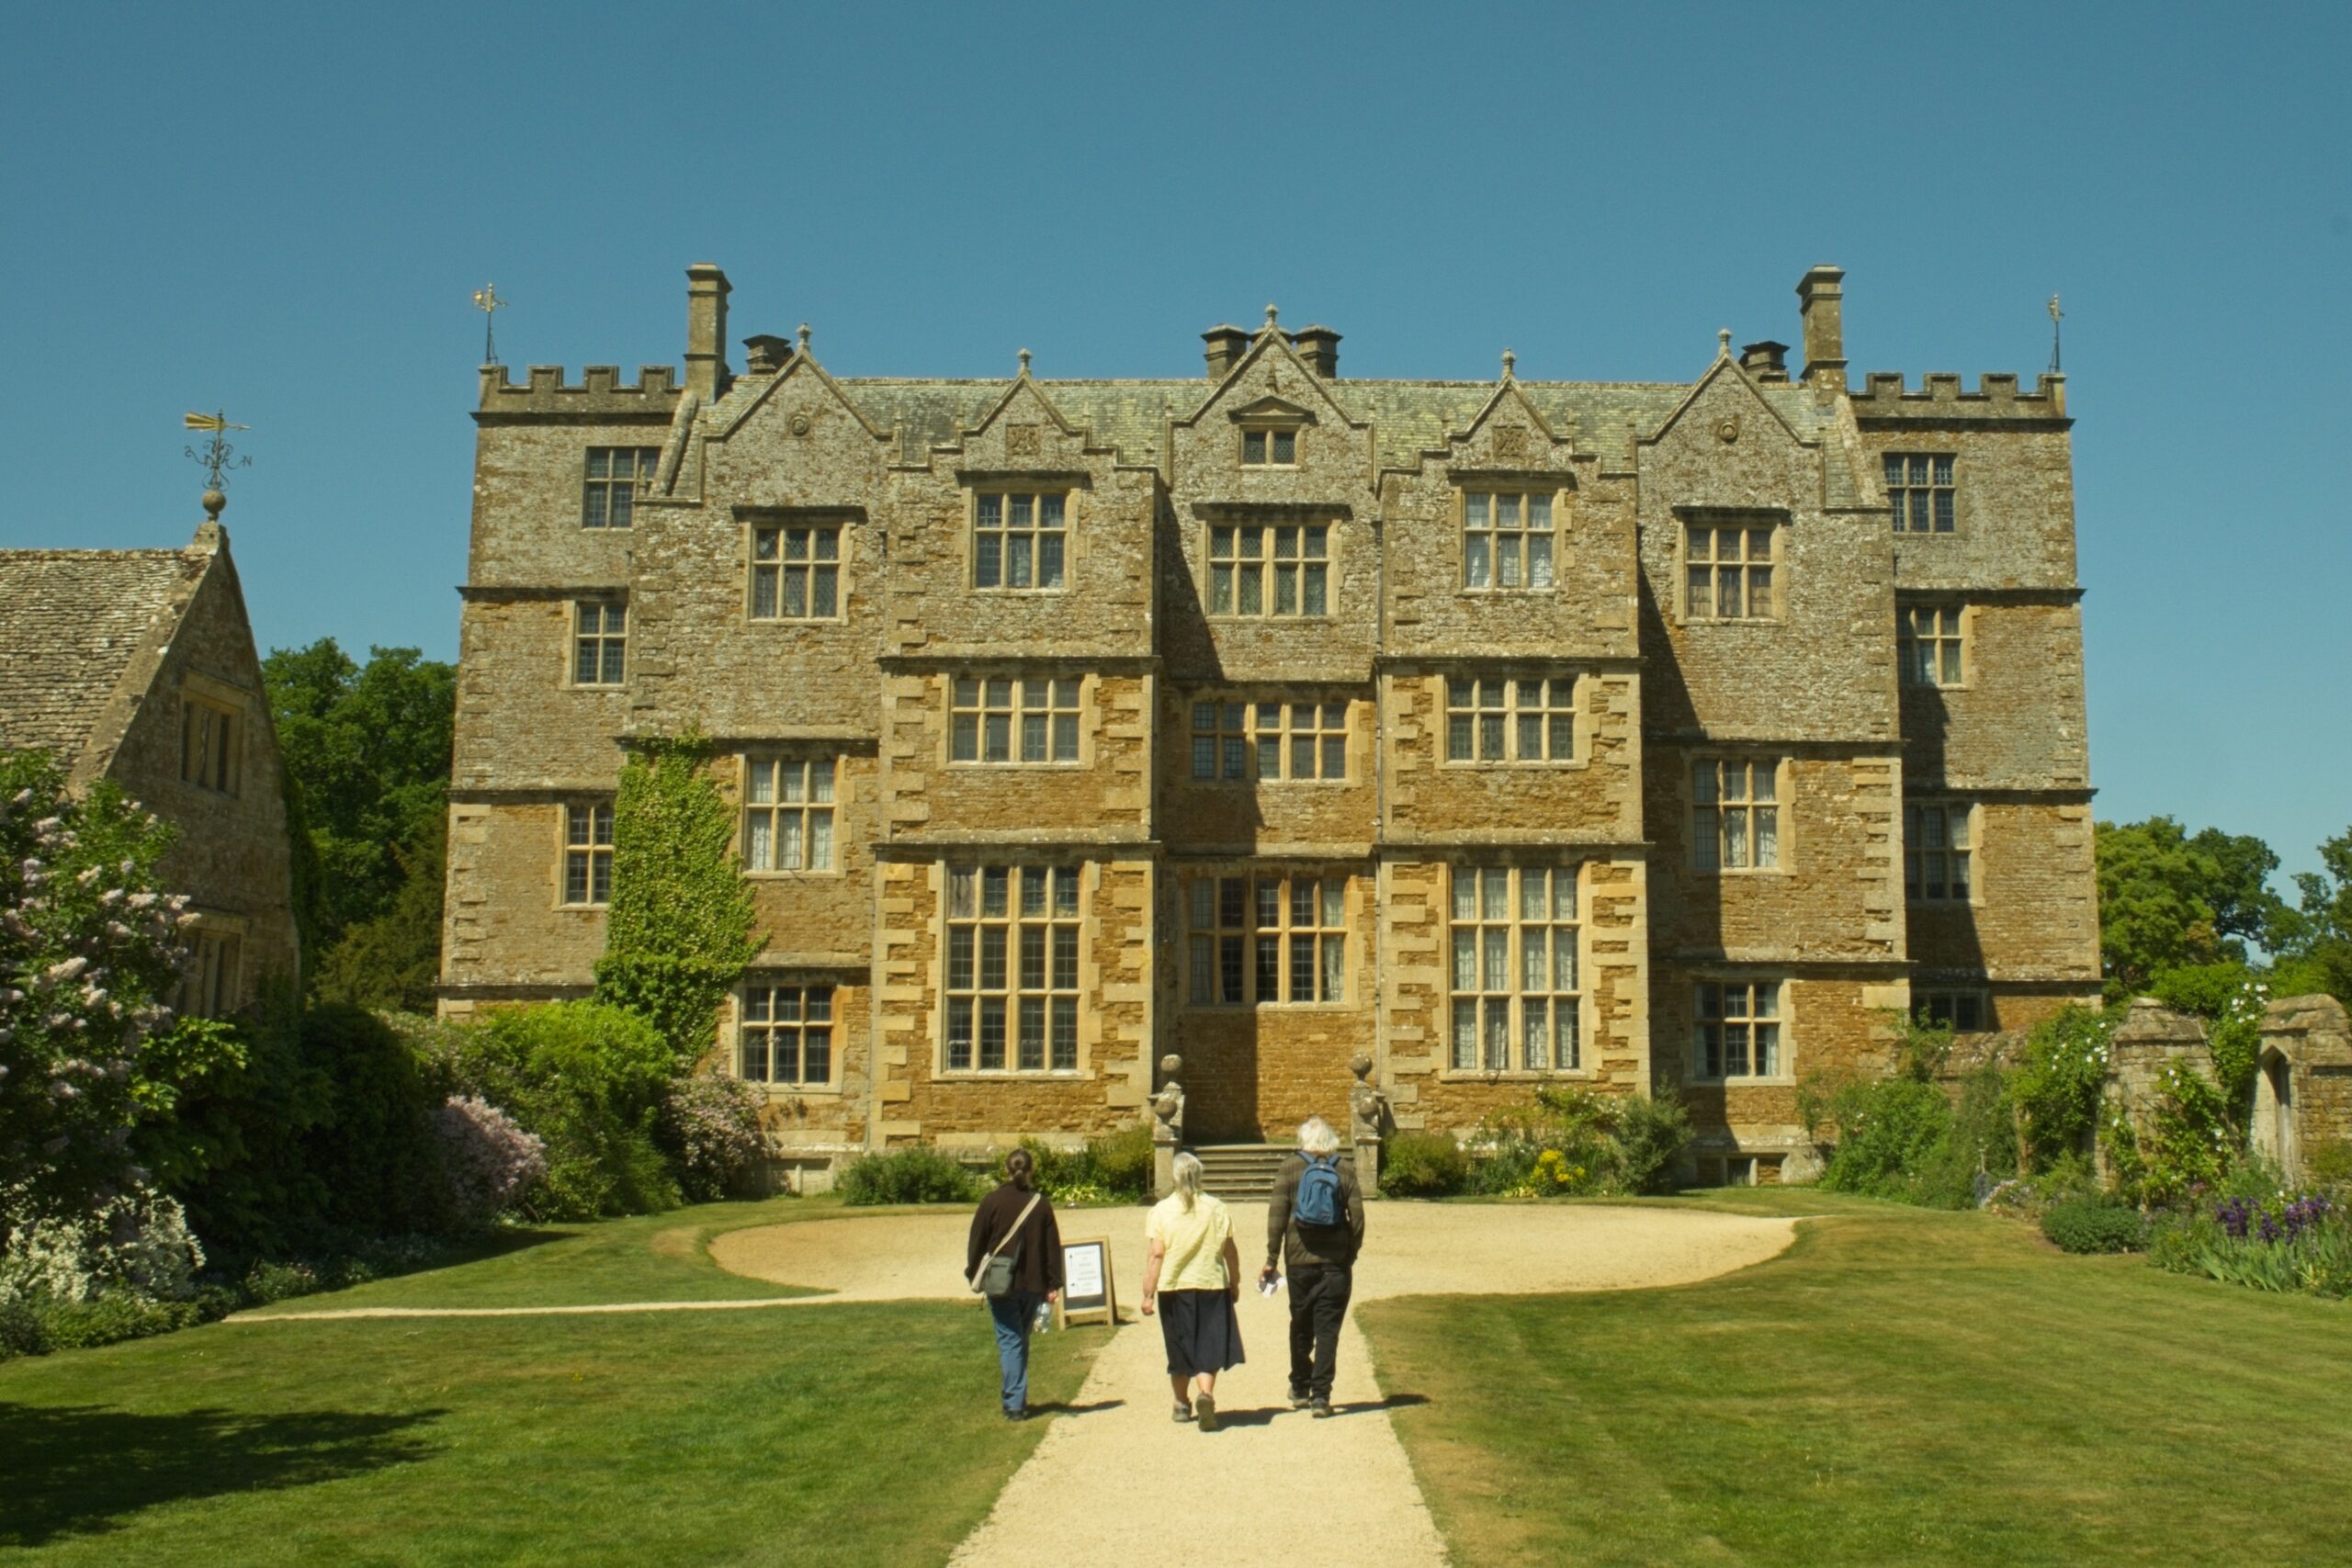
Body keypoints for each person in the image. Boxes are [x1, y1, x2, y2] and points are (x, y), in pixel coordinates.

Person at [1261, 1115, 1364, 1417]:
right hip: (1335, 1264)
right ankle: (1321, 1397)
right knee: (1328, 1330)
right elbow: (1357, 1219)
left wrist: (1271, 1258)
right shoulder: (1344, 1169)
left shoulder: (1289, 1168)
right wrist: (1350, 1254)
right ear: (1331, 1142)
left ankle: (1300, 1385)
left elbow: (1276, 1217)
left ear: (1302, 1140)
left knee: (1301, 1325)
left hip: (1298, 1261)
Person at [1140, 1150, 1244, 1430]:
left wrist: (1148, 1293)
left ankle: (1180, 1403)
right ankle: (1206, 1394)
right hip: (1211, 1282)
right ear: (1200, 1175)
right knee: (1209, 1342)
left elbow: (1157, 1254)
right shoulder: (1217, 1207)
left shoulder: (1161, 1210)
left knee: (1179, 1342)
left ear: (1174, 1178)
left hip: (1174, 1287)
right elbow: (1229, 1251)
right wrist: (1235, 1281)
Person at [966, 1148, 1063, 1421]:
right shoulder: (1040, 1204)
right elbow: (1051, 1247)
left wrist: (973, 1272)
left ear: (1006, 1170)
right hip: (1033, 1283)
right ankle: (1016, 1397)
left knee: (1011, 1341)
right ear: (1030, 1171)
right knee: (1019, 1340)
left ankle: (1014, 1404)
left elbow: (977, 1241)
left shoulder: (992, 1202)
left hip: (1001, 1282)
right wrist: (1054, 1283)